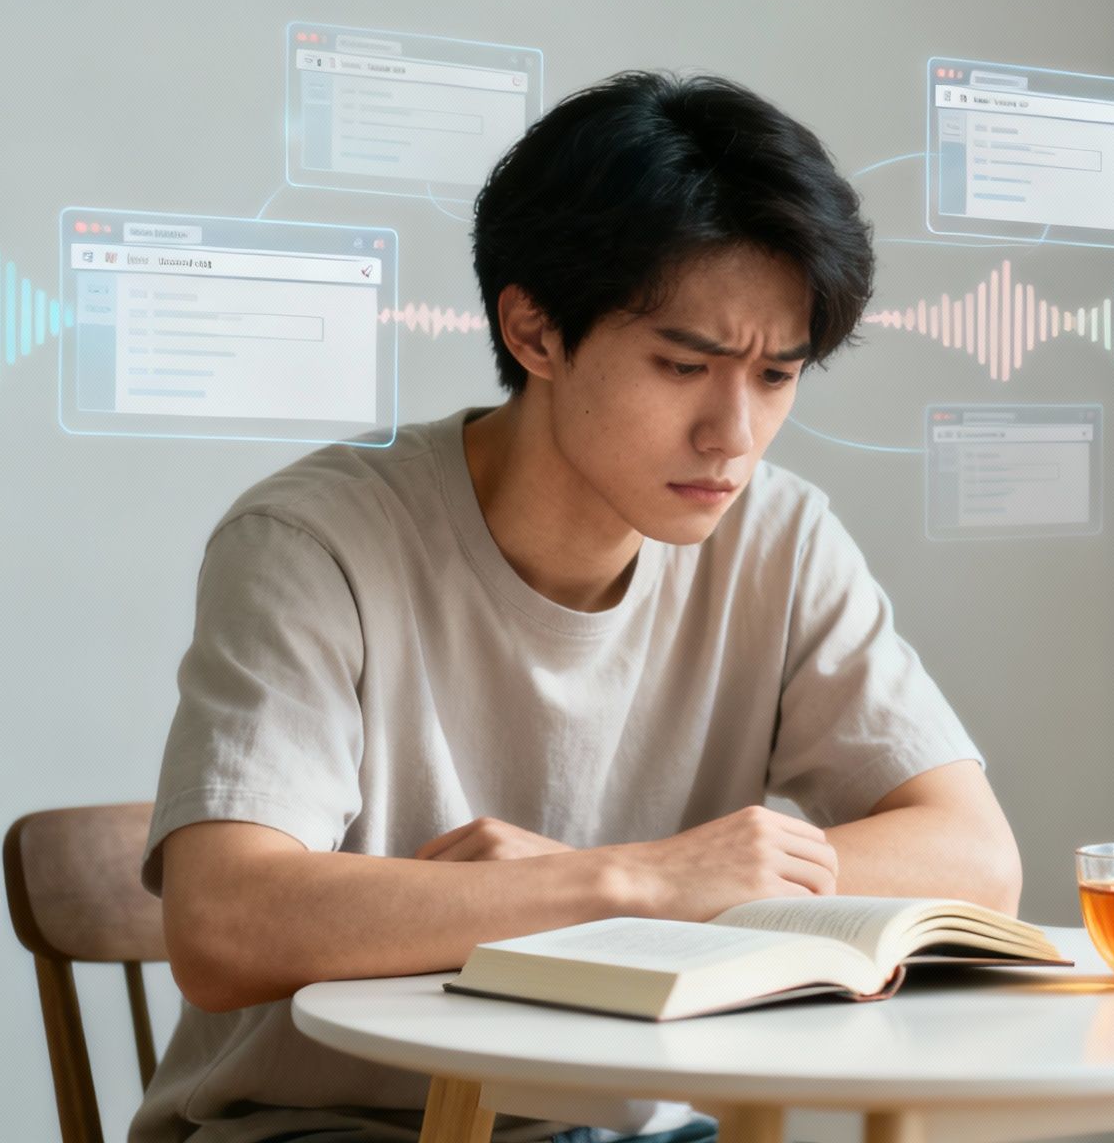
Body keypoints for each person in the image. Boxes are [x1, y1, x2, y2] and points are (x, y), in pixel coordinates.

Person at [131, 70, 1023, 1143]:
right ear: (534, 332)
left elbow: (975, 862)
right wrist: (639, 882)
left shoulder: (779, 539)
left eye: (777, 377)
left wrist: (595, 885)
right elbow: (227, 924)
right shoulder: (315, 542)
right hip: (322, 1125)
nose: (732, 435)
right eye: (683, 364)